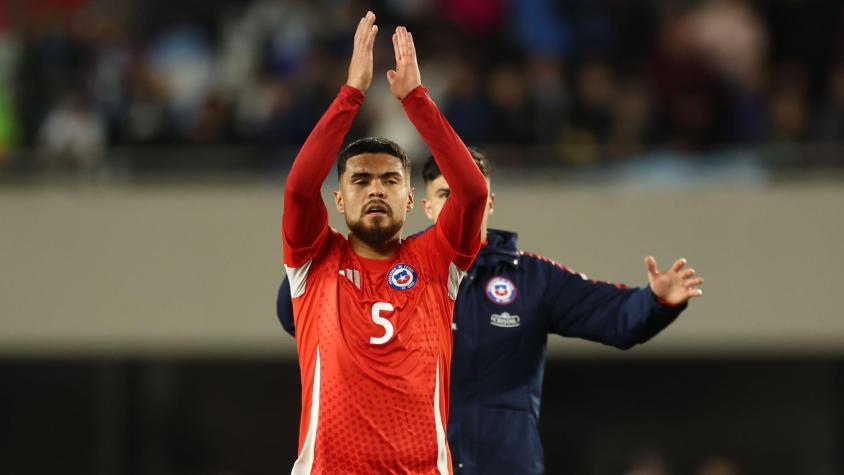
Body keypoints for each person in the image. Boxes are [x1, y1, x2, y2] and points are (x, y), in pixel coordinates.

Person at [280, 146, 704, 473]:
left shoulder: (532, 279)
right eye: (445, 195)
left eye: (468, 195)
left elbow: (616, 318)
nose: (459, 205)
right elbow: (295, 314)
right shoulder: (394, 270)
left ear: (489, 202)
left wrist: (656, 300)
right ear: (425, 206)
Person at [281, 11, 488, 475]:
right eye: (360, 179)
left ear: (411, 198)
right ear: (338, 198)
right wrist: (351, 94)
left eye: (390, 179)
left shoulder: (438, 258)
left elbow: (472, 192)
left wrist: (416, 100)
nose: (375, 188)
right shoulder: (313, 258)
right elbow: (297, 189)